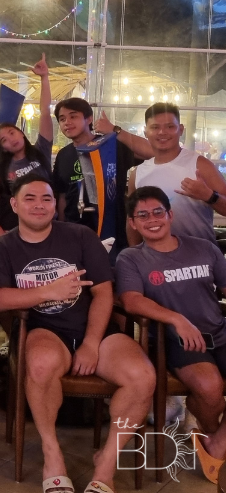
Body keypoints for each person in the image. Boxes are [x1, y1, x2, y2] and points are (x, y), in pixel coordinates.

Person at [0, 174, 155, 493]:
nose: (39, 205)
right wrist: (46, 291)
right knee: (40, 366)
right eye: (29, 198)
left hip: (97, 332)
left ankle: (106, 463)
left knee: (143, 376)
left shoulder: (80, 236)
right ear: (14, 204)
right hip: (45, 331)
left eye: (47, 199)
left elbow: (104, 292)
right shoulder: (2, 247)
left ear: (56, 204)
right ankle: (52, 453)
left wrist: (91, 344)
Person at [117, 186, 226, 484]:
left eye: (158, 212)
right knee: (210, 387)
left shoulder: (204, 248)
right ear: (133, 223)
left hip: (219, 330)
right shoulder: (131, 258)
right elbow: (131, 301)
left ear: (170, 215)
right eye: (142, 215)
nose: (152, 219)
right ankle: (211, 430)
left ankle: (216, 444)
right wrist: (177, 319)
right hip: (174, 341)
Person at [52, 98, 151, 256]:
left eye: (73, 116)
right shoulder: (63, 155)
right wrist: (61, 227)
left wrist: (115, 130)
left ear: (89, 119)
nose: (67, 122)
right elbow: (63, 195)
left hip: (112, 230)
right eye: (62, 119)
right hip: (75, 233)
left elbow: (152, 151)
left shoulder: (110, 145)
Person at [125, 102, 226, 245]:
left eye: (170, 126)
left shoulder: (200, 165)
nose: (162, 132)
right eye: (155, 127)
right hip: (154, 256)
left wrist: (209, 196)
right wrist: (135, 253)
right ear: (145, 132)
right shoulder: (138, 174)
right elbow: (132, 220)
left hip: (200, 254)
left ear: (181, 129)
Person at [0, 54, 53, 186]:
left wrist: (44, 78)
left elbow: (45, 113)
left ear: (21, 132)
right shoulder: (3, 171)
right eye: (4, 140)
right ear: (3, 148)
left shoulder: (41, 151)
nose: (11, 139)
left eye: (12, 132)